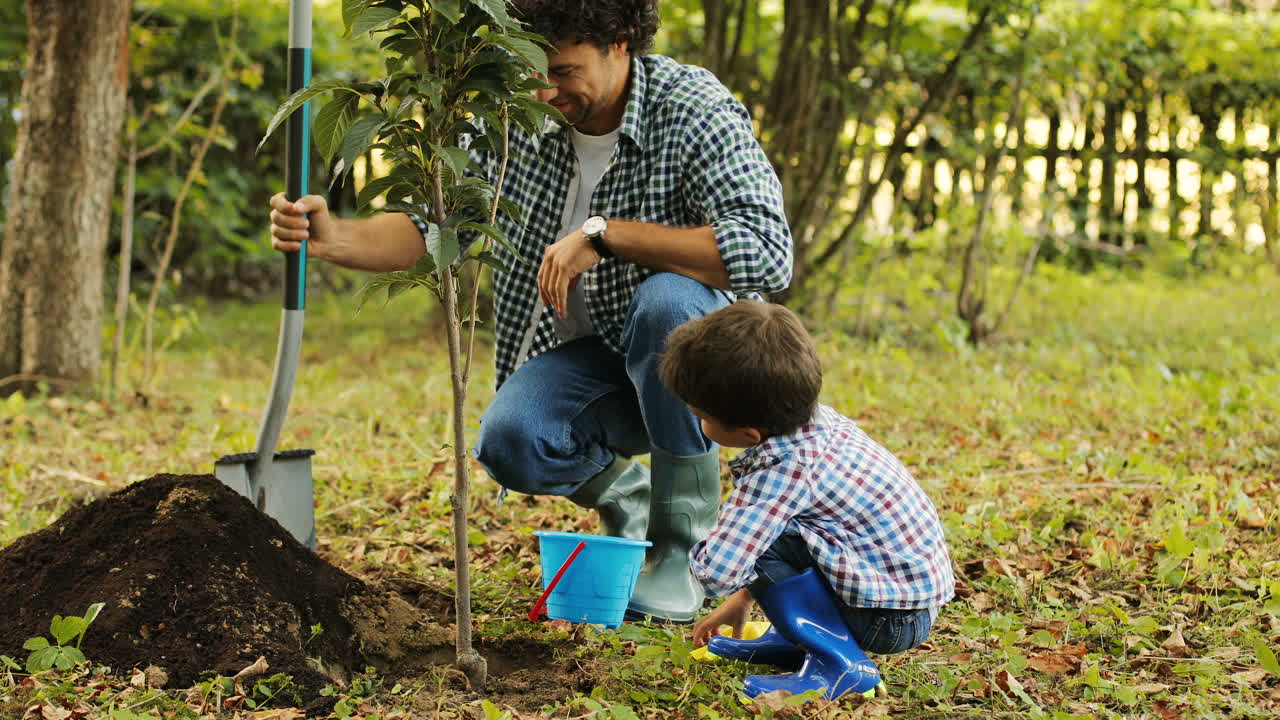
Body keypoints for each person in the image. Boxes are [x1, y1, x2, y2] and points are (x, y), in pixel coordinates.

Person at [268, 0, 792, 623]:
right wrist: (335, 240)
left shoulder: (691, 108)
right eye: (531, 71)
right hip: (593, 364)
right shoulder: (512, 118)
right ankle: (634, 508)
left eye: (565, 70)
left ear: (622, 42)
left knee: (667, 302)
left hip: (691, 374)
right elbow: (438, 227)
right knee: (512, 441)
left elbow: (764, 251)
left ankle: (681, 548)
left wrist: (605, 236)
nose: (544, 90)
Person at [658, 301, 955, 700]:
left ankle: (839, 664)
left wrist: (704, 564)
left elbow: (717, 571)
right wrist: (744, 598)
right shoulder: (812, 422)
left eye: (699, 414)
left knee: (753, 541)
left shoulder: (782, 471)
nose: (697, 421)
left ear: (748, 434)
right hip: (904, 602)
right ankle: (798, 639)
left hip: (887, 620)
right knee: (773, 535)